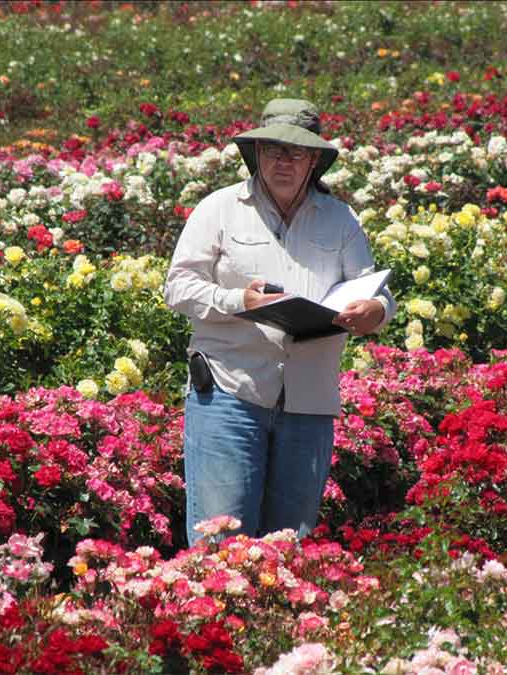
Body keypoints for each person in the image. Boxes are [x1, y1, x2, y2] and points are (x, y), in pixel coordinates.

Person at [164, 98, 395, 546]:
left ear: (314, 161)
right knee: (220, 543)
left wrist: (376, 312)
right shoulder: (219, 209)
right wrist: (238, 300)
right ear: (256, 154)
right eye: (273, 150)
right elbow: (178, 287)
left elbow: (374, 289)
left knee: (290, 547)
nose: (282, 161)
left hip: (309, 402)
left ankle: (275, 621)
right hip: (229, 394)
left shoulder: (340, 218)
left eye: (295, 153)